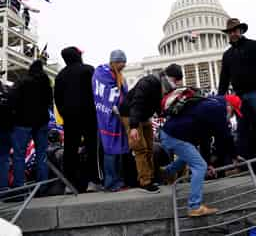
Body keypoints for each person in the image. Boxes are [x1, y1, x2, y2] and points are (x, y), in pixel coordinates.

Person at [159, 95, 239, 217]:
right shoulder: (218, 109)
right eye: (233, 113)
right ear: (229, 107)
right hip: (175, 137)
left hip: (170, 134)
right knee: (199, 166)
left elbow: (205, 139)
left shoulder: (211, 103)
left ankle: (165, 172)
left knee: (190, 158)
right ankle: (194, 206)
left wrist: (209, 163)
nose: (231, 117)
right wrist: (234, 156)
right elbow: (225, 136)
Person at [218, 18, 256, 173]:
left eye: (235, 30)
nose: (233, 34)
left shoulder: (253, 45)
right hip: (239, 97)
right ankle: (244, 165)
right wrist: (220, 99)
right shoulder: (227, 55)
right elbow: (224, 79)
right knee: (242, 131)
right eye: (230, 32)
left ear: (241, 31)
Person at [124, 64, 183, 193]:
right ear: (171, 78)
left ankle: (151, 177)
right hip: (130, 114)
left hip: (144, 116)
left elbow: (158, 105)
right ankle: (144, 182)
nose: (177, 85)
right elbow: (136, 103)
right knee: (140, 148)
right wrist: (133, 126)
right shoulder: (148, 82)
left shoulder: (164, 86)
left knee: (150, 147)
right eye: (177, 81)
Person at [54, 47, 101, 193]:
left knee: (70, 150)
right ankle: (92, 181)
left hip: (70, 118)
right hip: (89, 115)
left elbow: (57, 99)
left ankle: (69, 185)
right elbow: (97, 92)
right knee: (92, 147)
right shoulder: (88, 70)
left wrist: (64, 113)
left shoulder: (60, 75)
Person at [9, 60, 53, 189]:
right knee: (41, 154)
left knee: (19, 155)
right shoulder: (46, 84)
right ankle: (42, 186)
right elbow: (50, 102)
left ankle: (19, 187)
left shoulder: (23, 82)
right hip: (41, 123)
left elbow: (12, 99)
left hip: (23, 122)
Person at [93, 50, 129, 192]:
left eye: (124, 63)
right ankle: (110, 182)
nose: (123, 66)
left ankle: (118, 181)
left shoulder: (117, 75)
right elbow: (107, 94)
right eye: (121, 63)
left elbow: (121, 92)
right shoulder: (102, 74)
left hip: (117, 117)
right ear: (114, 62)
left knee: (118, 151)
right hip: (107, 117)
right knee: (110, 151)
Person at [0, 76, 13, 192]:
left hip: (5, 130)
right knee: (3, 159)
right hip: (5, 130)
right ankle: (3, 187)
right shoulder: (7, 92)